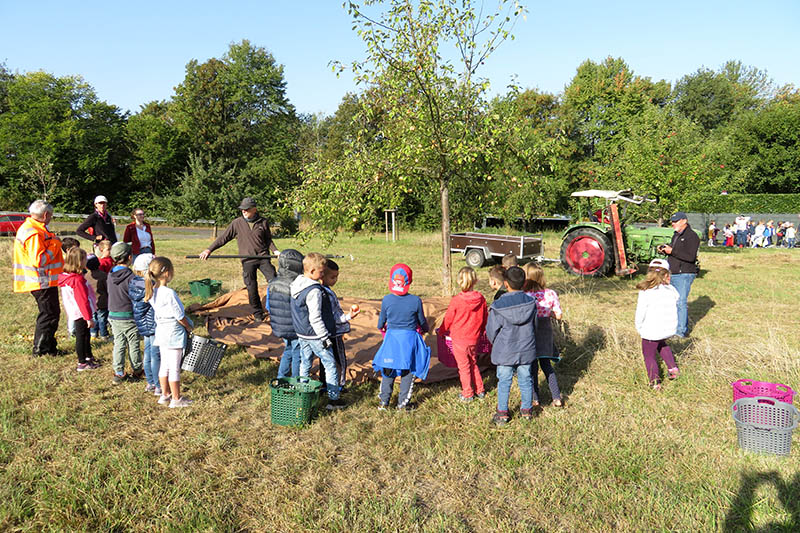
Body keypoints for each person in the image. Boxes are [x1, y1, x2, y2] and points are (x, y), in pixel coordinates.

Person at [199, 197, 279, 321]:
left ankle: (276, 309)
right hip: (247, 260)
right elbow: (223, 238)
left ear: (254, 209)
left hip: (263, 258)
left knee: (275, 282)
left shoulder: (263, 222)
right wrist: (209, 249)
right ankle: (258, 314)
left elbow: (268, 240)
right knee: (251, 287)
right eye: (242, 209)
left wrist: (275, 251)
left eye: (247, 209)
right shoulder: (237, 223)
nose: (244, 211)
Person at [372, 263, 430, 411]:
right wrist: (425, 329)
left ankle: (384, 402)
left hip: (392, 340)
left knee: (388, 369)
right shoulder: (416, 301)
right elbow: (422, 321)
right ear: (409, 282)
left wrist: (383, 330)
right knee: (408, 369)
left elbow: (381, 323)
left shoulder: (386, 300)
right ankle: (403, 403)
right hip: (408, 341)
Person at [290, 252, 344, 409]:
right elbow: (315, 318)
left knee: (305, 362)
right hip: (315, 335)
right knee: (330, 364)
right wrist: (324, 337)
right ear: (312, 271)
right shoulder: (314, 291)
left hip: (301, 332)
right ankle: (334, 399)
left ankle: (303, 392)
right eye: (321, 272)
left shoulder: (297, 283)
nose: (323, 275)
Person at [485, 266, 537, 426]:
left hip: (505, 351)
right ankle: (527, 411)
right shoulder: (531, 302)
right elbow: (535, 326)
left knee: (504, 381)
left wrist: (497, 344)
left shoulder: (498, 305)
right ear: (524, 283)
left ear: (505, 283)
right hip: (526, 348)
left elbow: (491, 331)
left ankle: (502, 414)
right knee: (526, 379)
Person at [13, 200, 64, 357]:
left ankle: (49, 346)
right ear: (46, 214)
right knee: (49, 314)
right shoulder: (34, 232)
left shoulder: (32, 228)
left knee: (50, 313)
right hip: (41, 280)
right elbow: (39, 260)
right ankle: (41, 350)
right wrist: (55, 244)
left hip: (42, 280)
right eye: (51, 215)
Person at [146, 257, 193, 408]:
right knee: (174, 367)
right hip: (174, 333)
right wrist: (189, 327)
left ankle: (164, 395)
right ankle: (176, 399)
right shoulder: (169, 293)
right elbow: (179, 316)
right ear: (166, 273)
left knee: (164, 364)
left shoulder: (153, 291)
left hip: (161, 332)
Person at [439, 266, 487, 402]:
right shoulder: (481, 299)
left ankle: (467, 393)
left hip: (459, 339)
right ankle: (480, 390)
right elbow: (485, 318)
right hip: (474, 338)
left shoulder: (456, 300)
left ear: (459, 282)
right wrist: (482, 330)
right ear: (475, 280)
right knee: (473, 362)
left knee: (464, 367)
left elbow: (448, 319)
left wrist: (442, 331)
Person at [635, 259, 680, 390]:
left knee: (649, 355)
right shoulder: (671, 290)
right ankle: (673, 369)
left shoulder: (646, 292)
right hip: (667, 328)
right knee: (662, 344)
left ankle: (655, 382)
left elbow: (640, 312)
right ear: (666, 276)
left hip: (651, 329)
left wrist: (639, 326)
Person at [523, 262, 564, 409]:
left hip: (530, 336)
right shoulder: (550, 293)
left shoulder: (525, 296)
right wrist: (548, 312)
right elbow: (558, 316)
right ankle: (556, 397)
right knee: (547, 366)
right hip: (546, 335)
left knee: (532, 368)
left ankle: (535, 399)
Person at [57, 247, 100, 371]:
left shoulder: (67, 277)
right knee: (82, 336)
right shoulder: (77, 280)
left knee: (85, 335)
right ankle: (82, 362)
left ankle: (88, 357)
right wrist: (88, 317)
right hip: (81, 312)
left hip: (74, 310)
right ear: (79, 261)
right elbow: (82, 300)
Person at [320, 260, 359, 391]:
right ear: (322, 276)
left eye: (337, 276)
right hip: (334, 333)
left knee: (324, 360)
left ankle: (324, 384)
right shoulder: (327, 295)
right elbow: (334, 316)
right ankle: (339, 385)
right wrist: (349, 316)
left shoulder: (317, 291)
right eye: (332, 277)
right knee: (339, 360)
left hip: (322, 333)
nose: (335, 280)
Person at [107, 242, 144, 384]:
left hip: (113, 315)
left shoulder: (110, 274)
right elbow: (145, 289)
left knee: (119, 343)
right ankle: (137, 369)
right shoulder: (132, 278)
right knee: (133, 343)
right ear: (130, 257)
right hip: (128, 316)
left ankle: (119, 372)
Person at [265, 249, 305, 378]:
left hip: (279, 326)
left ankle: (281, 378)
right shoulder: (297, 285)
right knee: (298, 353)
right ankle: (296, 381)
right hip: (295, 327)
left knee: (288, 350)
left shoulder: (272, 283)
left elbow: (268, 306)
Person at [659, 211, 700, 338]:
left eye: (675, 221)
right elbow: (675, 252)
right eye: (672, 221)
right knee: (673, 302)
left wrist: (672, 251)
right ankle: (674, 327)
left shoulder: (692, 236)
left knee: (680, 302)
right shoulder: (676, 235)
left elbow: (690, 257)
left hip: (685, 273)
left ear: (684, 221)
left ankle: (681, 332)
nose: (673, 224)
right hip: (674, 272)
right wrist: (665, 250)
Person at [129, 253, 161, 395]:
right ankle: (158, 384)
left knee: (147, 353)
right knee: (155, 355)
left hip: (143, 324)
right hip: (153, 325)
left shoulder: (134, 282)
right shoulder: (150, 286)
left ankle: (150, 382)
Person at [86, 255, 110, 341]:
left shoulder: (86, 276)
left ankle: (93, 334)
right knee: (102, 319)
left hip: (91, 302)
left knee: (93, 318)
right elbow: (107, 288)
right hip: (102, 302)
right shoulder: (103, 275)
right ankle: (104, 334)